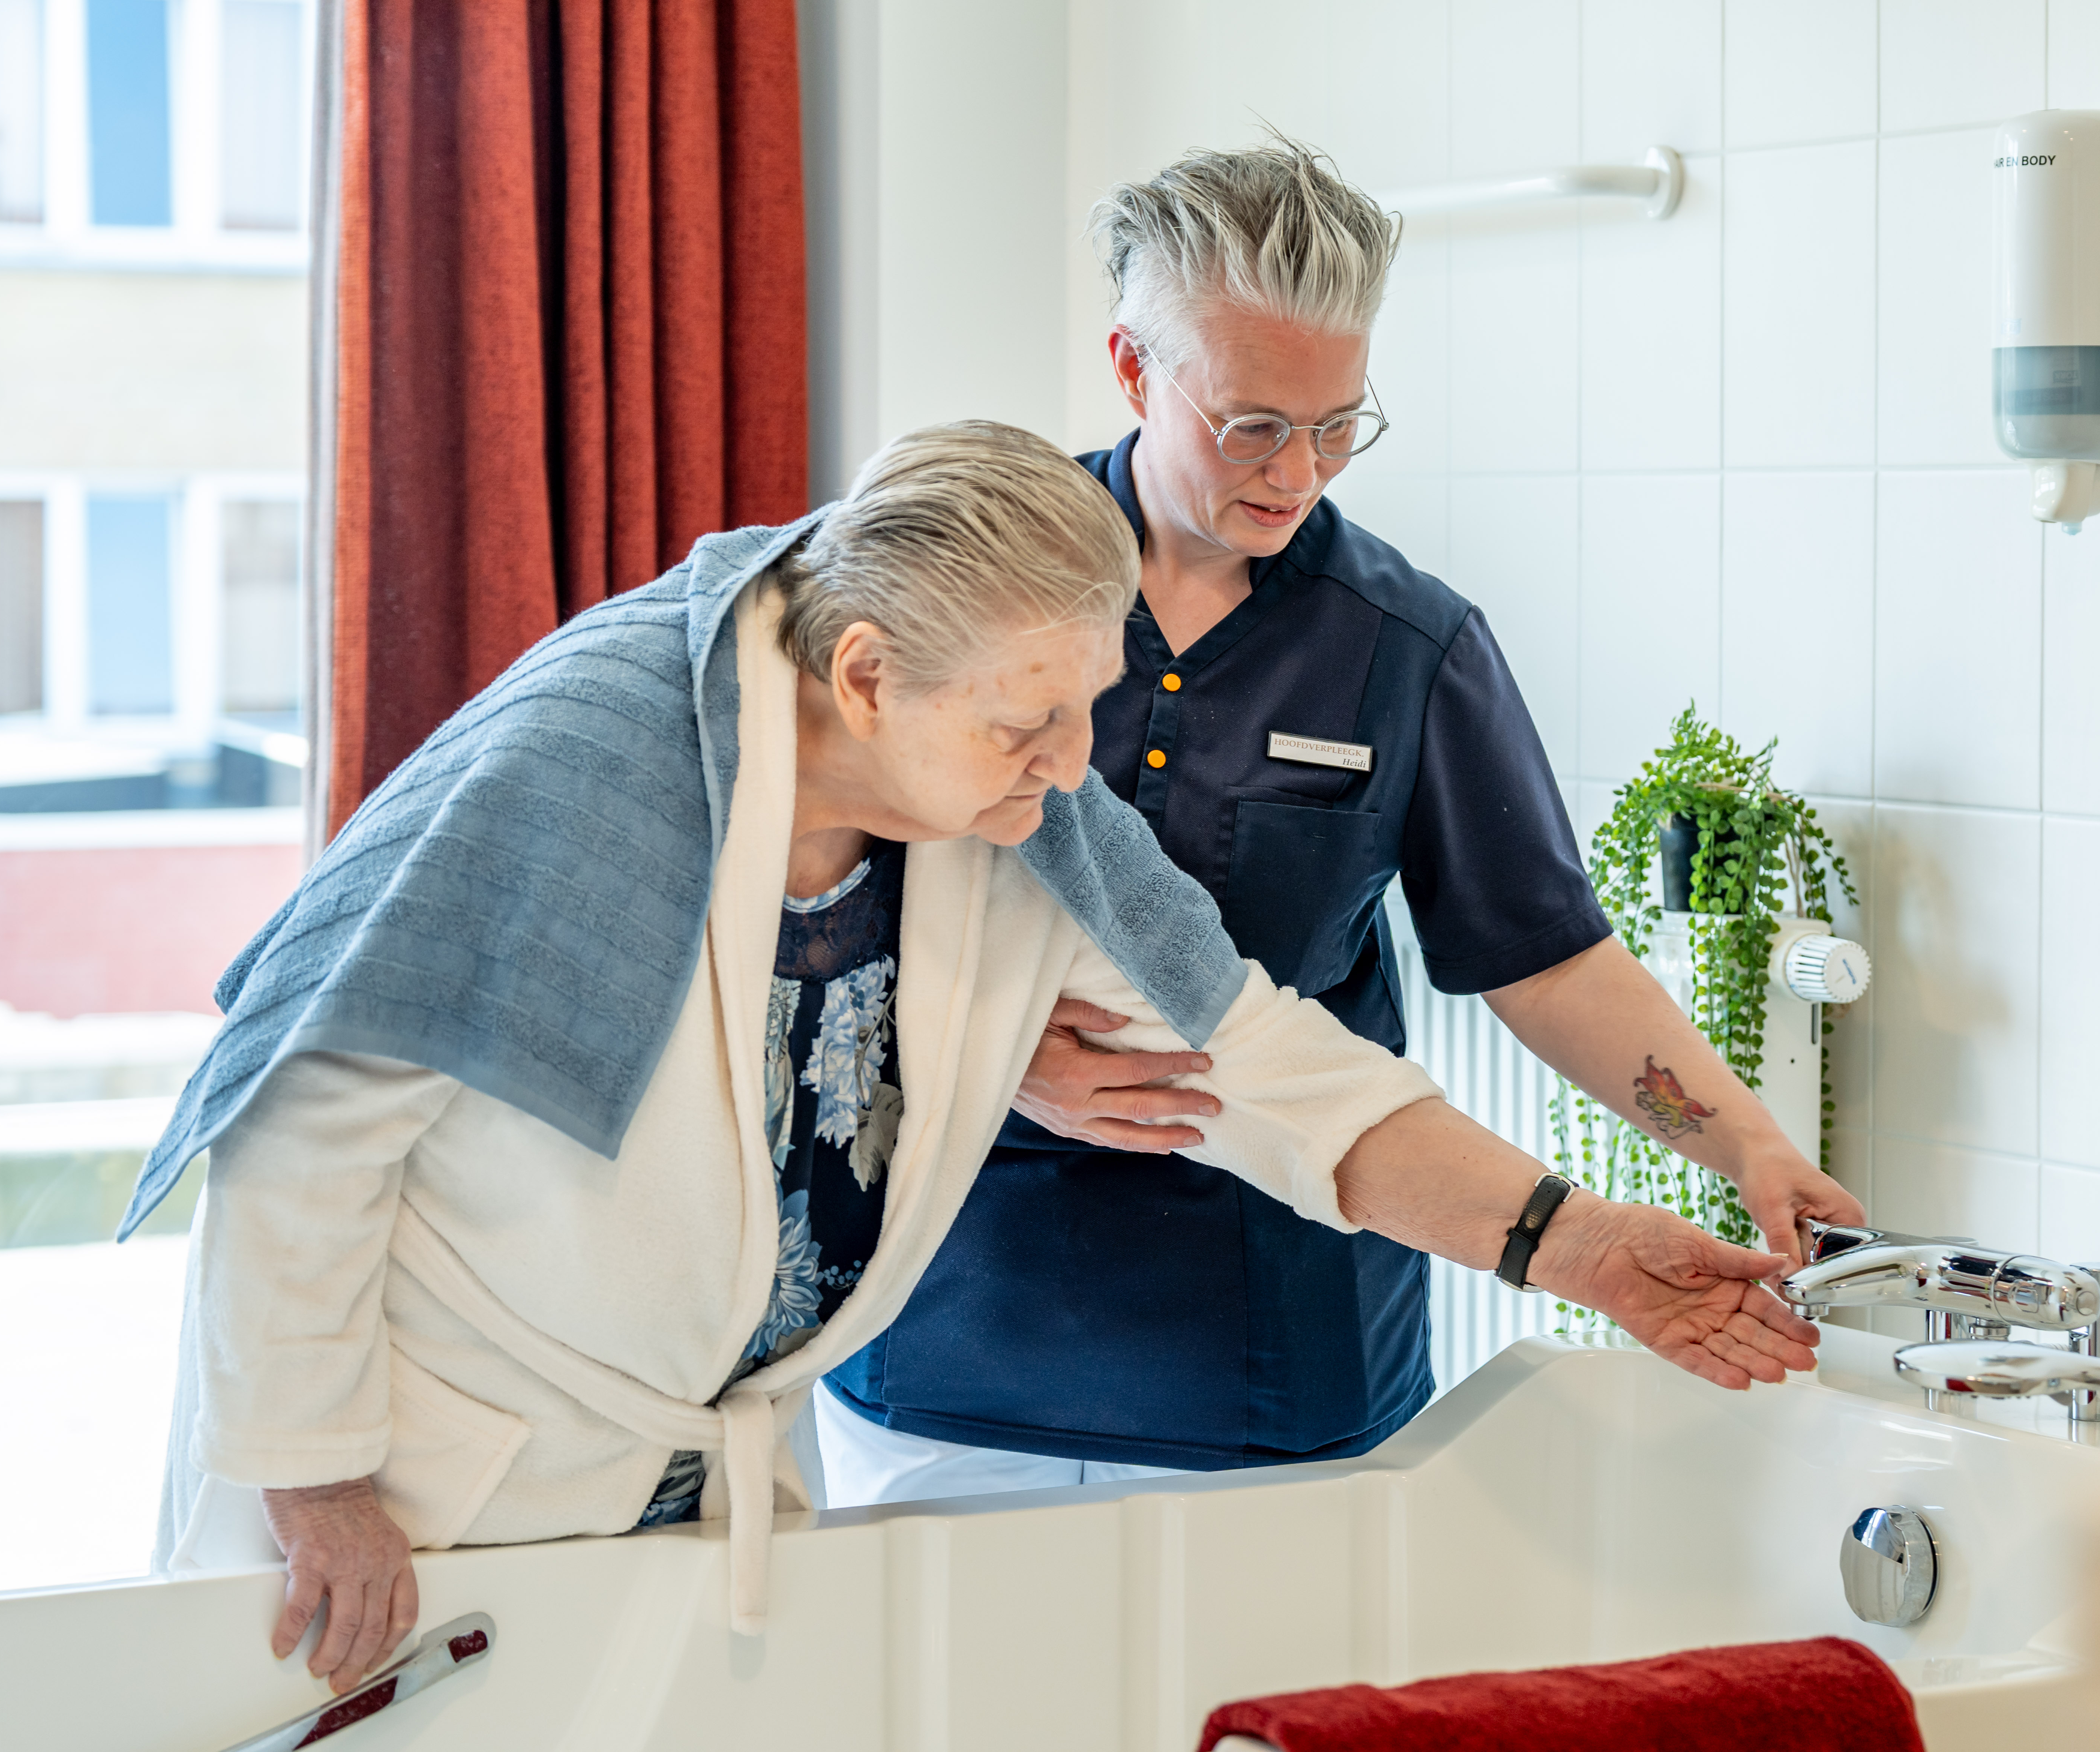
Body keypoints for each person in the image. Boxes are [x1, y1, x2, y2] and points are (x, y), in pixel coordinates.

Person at [131, 421, 1821, 1694]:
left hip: (690, 1485)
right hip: (420, 1493)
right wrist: (316, 1477)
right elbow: (306, 1114)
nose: (1073, 765)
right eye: (1030, 722)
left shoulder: (1022, 818)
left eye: (1088, 705)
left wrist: (1582, 1249)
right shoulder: (588, 760)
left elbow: (1269, 1071)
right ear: (867, 676)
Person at [817, 143, 1866, 1505]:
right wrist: (999, 1056)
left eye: (1338, 425)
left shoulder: (1407, 644)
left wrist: (1747, 1144)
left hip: (1274, 1341)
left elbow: (1547, 961)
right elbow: (817, 898)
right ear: (1134, 370)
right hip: (948, 1328)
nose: (1297, 472)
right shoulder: (961, 580)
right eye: (1253, 424)